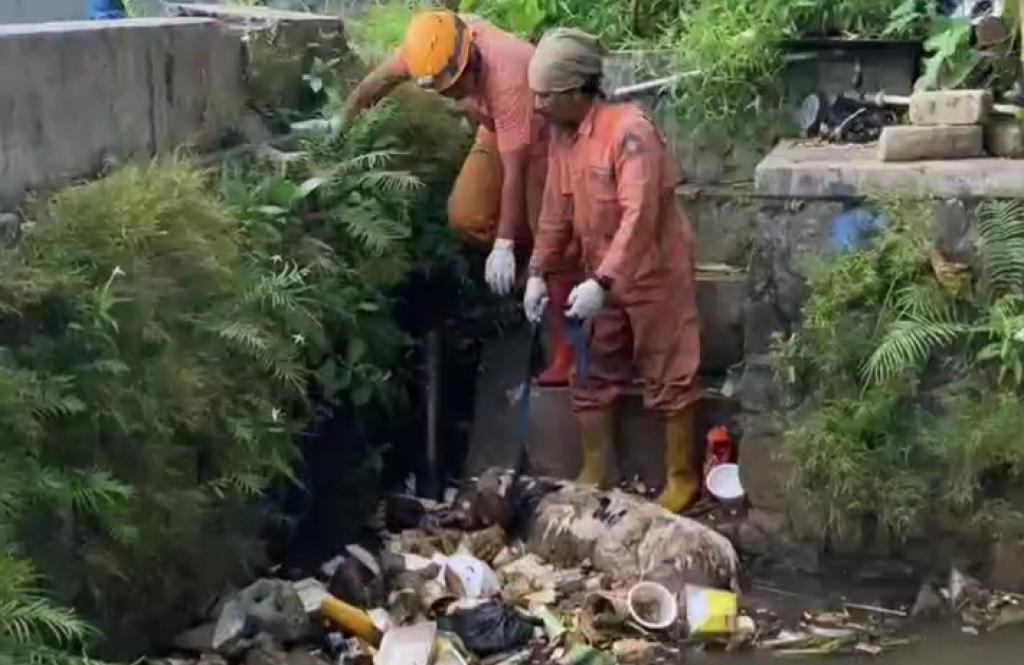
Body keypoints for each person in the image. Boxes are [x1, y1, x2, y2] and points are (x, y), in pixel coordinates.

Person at [343, 10, 578, 385]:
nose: (454, 95)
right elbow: (374, 85)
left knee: (552, 251)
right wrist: (342, 127)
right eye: (445, 91)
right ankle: (533, 260)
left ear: (471, 59)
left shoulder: (509, 74)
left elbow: (514, 172)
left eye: (457, 85)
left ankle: (566, 349)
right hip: (493, 128)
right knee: (466, 215)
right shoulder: (425, 49)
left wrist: (502, 245)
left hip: (539, 139)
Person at [522, 28, 702, 513]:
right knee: (590, 369)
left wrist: (605, 282)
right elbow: (555, 212)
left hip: (652, 271)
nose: (537, 104)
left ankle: (682, 478)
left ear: (576, 90)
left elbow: (639, 216)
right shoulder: (563, 138)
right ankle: (599, 469)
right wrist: (538, 270)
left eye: (546, 95)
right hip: (596, 271)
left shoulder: (629, 133)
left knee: (671, 372)